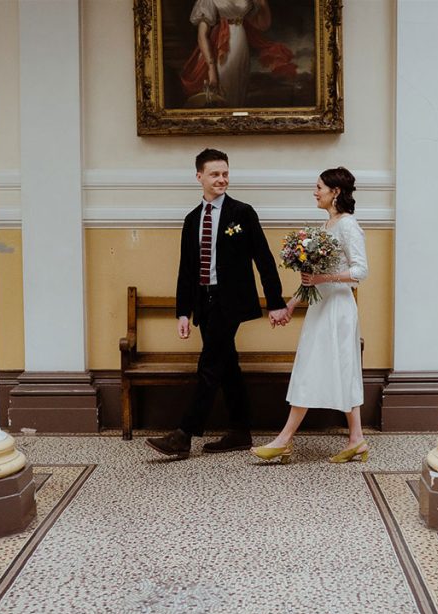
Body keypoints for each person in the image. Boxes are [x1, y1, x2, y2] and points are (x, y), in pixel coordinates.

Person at [146, 148, 289, 459]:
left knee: (209, 365)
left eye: (225, 173)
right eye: (215, 174)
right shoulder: (192, 219)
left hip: (231, 301)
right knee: (227, 366)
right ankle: (240, 430)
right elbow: (186, 269)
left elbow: (263, 258)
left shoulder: (242, 213)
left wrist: (276, 301)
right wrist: (183, 312)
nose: (222, 179)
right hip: (204, 302)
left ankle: (184, 434)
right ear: (199, 176)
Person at [251, 168, 369, 465]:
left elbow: (360, 271)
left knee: (312, 367)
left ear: (335, 192)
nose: (315, 192)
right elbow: (314, 281)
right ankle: (356, 439)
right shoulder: (327, 225)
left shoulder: (348, 225)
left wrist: (322, 278)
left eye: (319, 187)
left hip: (338, 309)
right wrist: (291, 305)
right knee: (339, 368)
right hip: (321, 307)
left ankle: (284, 440)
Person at [180, 0, 297, 108]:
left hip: (241, 43)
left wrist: (262, 3)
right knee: (222, 89)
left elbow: (262, 25)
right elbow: (202, 36)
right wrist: (211, 70)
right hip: (220, 46)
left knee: (238, 89)